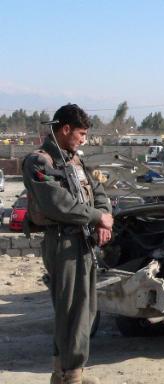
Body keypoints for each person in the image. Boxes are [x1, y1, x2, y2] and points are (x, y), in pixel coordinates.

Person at [22, 104, 113, 383]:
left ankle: (71, 372)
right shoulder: (40, 162)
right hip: (63, 243)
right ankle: (67, 375)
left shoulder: (74, 160)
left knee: (85, 310)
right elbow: (57, 204)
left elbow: (98, 191)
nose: (84, 139)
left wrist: (102, 217)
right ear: (65, 129)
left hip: (82, 242)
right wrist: (98, 216)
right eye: (81, 133)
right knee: (70, 310)